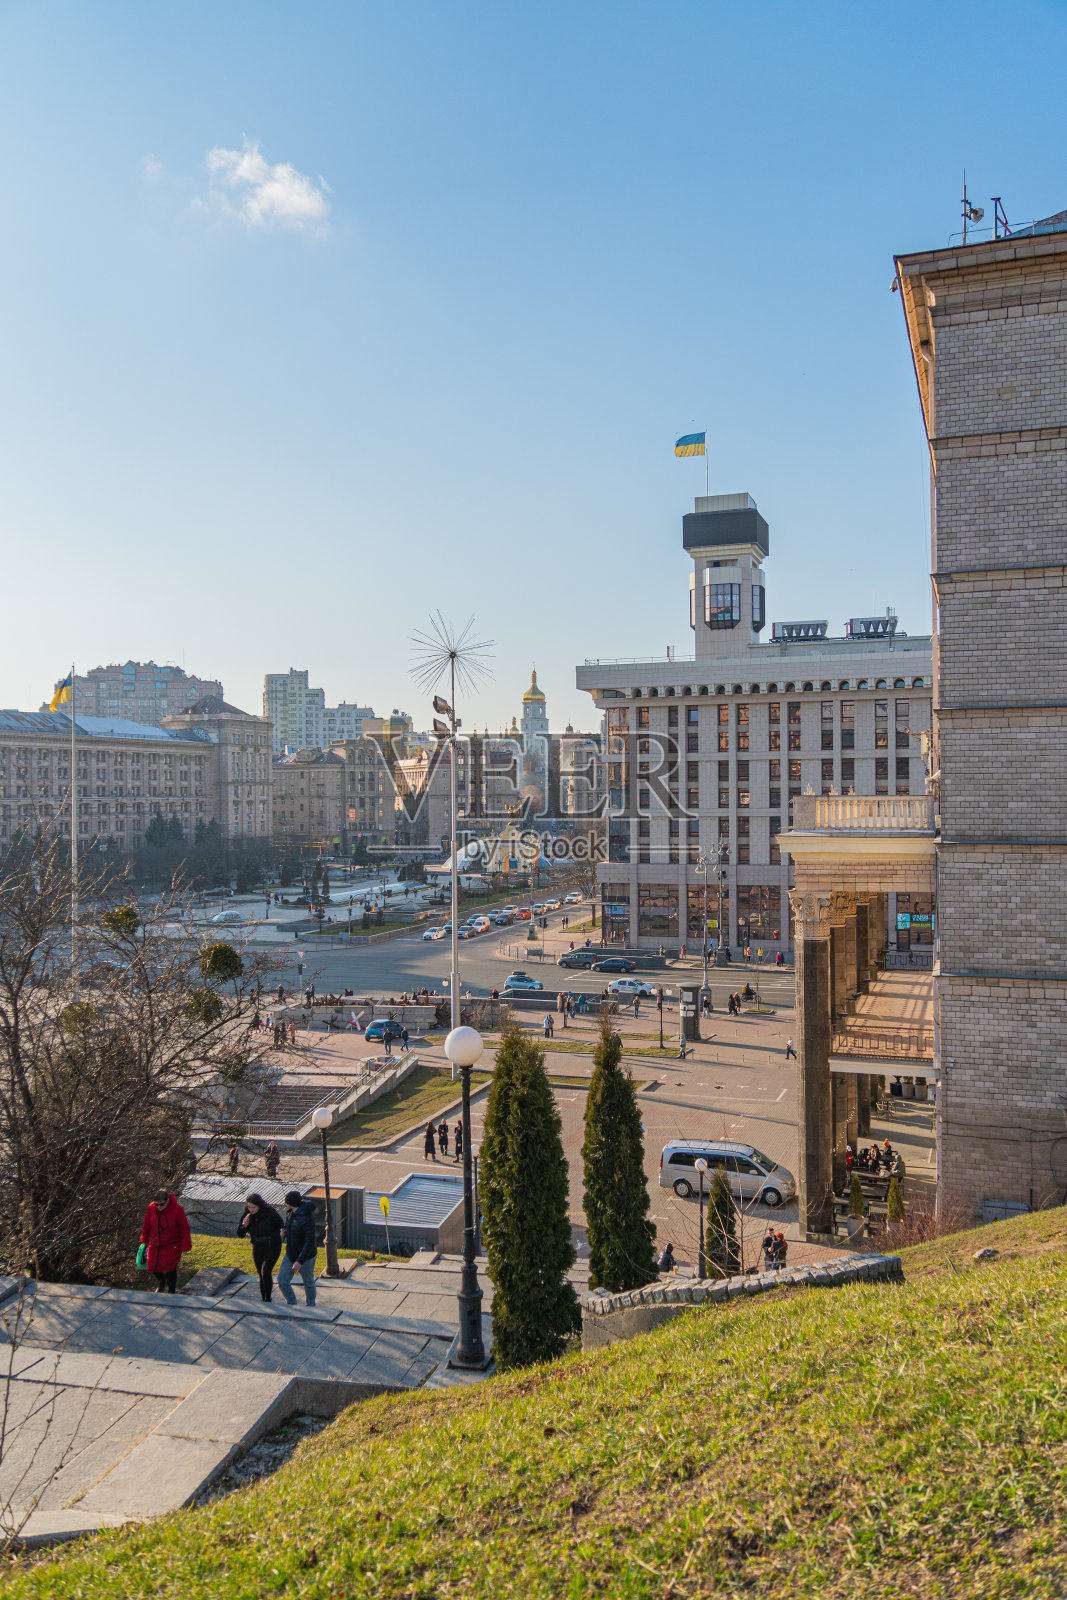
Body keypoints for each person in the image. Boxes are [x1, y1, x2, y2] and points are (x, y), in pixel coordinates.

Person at [139, 1188, 192, 1294]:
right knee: (152, 1266)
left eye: (161, 1204)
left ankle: (171, 1291)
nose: (159, 1207)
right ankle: (162, 1281)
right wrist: (144, 1238)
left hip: (172, 1244)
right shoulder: (151, 1208)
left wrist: (186, 1245)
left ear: (167, 1201)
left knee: (170, 1268)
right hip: (155, 1242)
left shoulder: (177, 1210)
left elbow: (184, 1228)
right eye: (156, 1204)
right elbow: (147, 1224)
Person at [237, 1192, 284, 1302]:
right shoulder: (247, 1215)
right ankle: (264, 1298)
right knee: (260, 1274)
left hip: (272, 1246)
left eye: (253, 1207)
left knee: (266, 1271)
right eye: (249, 1207)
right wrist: (244, 1226)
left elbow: (281, 1225)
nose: (251, 1209)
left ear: (259, 1205)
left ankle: (268, 1298)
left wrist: (282, 1232)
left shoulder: (270, 1213)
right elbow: (240, 1234)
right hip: (257, 1246)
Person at [278, 1190, 318, 1307]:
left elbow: (310, 1241)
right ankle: (292, 1304)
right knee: (282, 1280)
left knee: (309, 1283)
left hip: (306, 1257)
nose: (285, 1204)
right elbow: (289, 1226)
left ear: (291, 1203)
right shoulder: (290, 1213)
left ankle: (311, 1306)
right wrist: (284, 1231)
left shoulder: (307, 1218)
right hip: (290, 1254)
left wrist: (300, 1261)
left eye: (286, 1202)